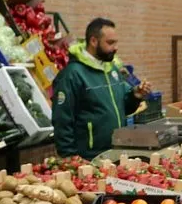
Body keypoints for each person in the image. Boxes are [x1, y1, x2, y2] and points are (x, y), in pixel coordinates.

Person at [51, 18, 152, 160]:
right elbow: (62, 120)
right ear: (93, 41)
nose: (116, 48)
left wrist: (135, 96)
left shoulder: (112, 70)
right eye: (110, 43)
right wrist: (69, 157)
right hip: (89, 158)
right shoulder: (72, 75)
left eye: (116, 42)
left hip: (117, 153)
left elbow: (122, 109)